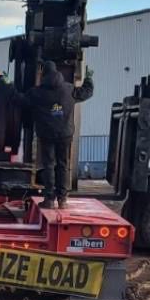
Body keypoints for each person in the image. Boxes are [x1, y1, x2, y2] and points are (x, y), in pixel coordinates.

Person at [11, 60, 94, 209]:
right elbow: (87, 92)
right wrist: (88, 78)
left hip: (47, 134)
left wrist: (8, 85)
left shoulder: (37, 92)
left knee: (49, 165)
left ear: (43, 74)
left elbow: (19, 100)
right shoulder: (69, 89)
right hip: (65, 134)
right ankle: (62, 200)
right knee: (63, 165)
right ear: (58, 73)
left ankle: (49, 199)